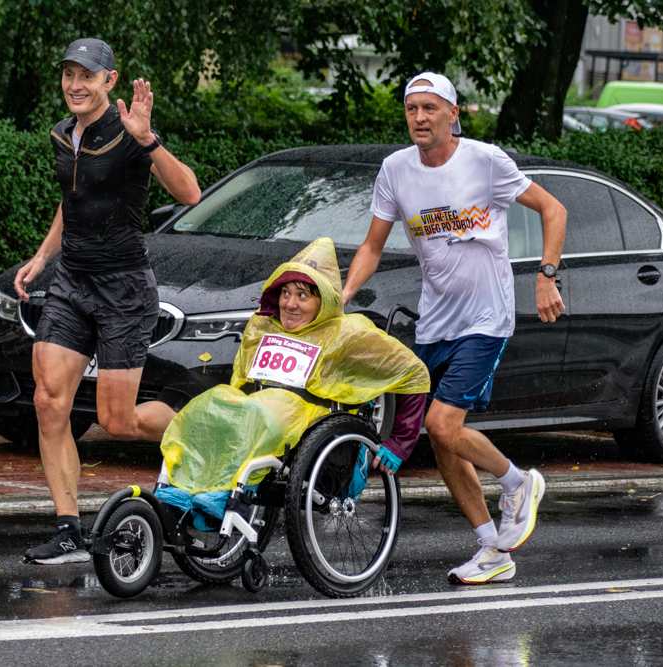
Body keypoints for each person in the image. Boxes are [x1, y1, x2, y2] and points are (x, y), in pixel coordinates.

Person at [342, 72, 567, 585]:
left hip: (487, 317)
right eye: (411, 109)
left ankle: (518, 483)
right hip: (436, 321)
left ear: (453, 113)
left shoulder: (485, 161)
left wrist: (546, 276)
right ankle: (493, 549)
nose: (419, 118)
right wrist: (345, 293)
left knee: (442, 424)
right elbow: (373, 246)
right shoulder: (395, 170)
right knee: (443, 442)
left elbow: (554, 210)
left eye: (430, 108)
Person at [18, 39, 201, 565]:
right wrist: (41, 257)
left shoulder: (129, 134)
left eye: (87, 76)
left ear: (110, 81)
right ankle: (69, 529)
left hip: (123, 288)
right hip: (73, 281)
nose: (76, 84)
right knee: (48, 403)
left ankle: (193, 429)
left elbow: (189, 193)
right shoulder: (60, 134)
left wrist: (149, 140)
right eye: (69, 74)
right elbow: (71, 198)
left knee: (117, 421)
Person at [158, 237, 429, 522]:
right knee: (203, 410)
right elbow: (242, 377)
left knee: (256, 418)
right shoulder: (263, 326)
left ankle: (218, 495)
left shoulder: (348, 333)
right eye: (285, 293)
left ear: (322, 301)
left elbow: (414, 372)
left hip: (308, 416)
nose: (290, 304)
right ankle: (185, 491)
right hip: (261, 406)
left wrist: (400, 441)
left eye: (302, 296)